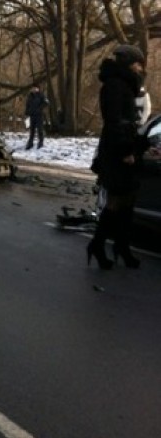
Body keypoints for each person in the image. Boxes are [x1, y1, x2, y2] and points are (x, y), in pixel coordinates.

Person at [87, 44, 147, 269]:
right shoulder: (115, 85)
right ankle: (98, 244)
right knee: (116, 201)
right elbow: (115, 122)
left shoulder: (125, 85)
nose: (140, 68)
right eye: (137, 64)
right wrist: (125, 151)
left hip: (124, 146)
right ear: (128, 63)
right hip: (116, 151)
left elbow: (129, 121)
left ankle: (121, 246)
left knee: (127, 201)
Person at [24, 85, 48, 149]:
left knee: (40, 129)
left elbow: (46, 103)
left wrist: (40, 108)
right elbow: (27, 104)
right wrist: (26, 112)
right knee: (32, 130)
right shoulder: (30, 96)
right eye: (33, 88)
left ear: (38, 89)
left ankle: (40, 142)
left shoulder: (41, 95)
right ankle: (30, 143)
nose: (34, 89)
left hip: (39, 115)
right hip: (32, 115)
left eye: (35, 88)